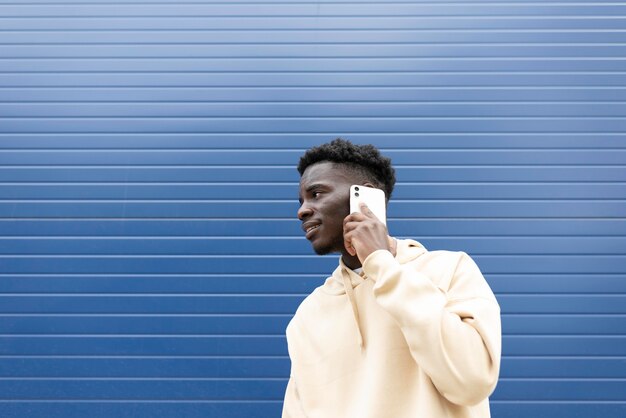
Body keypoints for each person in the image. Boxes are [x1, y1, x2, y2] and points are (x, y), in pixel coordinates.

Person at [282, 138, 501, 418]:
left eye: (317, 194)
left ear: (366, 198)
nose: (302, 210)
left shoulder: (449, 269)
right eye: (301, 201)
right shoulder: (309, 314)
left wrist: (382, 266)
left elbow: (472, 382)